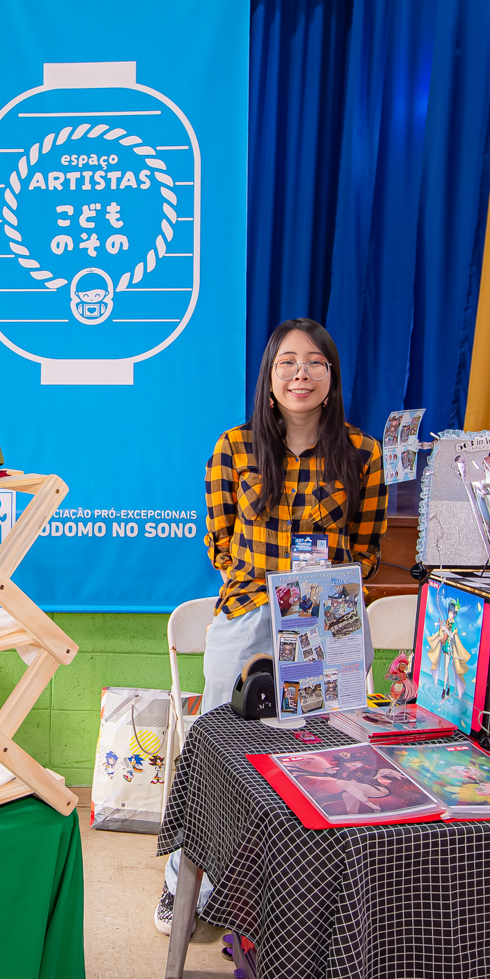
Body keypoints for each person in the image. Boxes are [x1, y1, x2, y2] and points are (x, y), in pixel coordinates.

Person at [155, 317, 386, 932]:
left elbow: (367, 548)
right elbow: (219, 540)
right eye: (287, 362)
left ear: (332, 376)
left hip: (331, 619)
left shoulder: (362, 453)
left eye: (314, 362)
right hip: (250, 612)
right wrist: (269, 592)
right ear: (269, 376)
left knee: (331, 756)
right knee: (219, 757)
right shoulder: (234, 447)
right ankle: (185, 885)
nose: (300, 373)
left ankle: (308, 901)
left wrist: (319, 594)